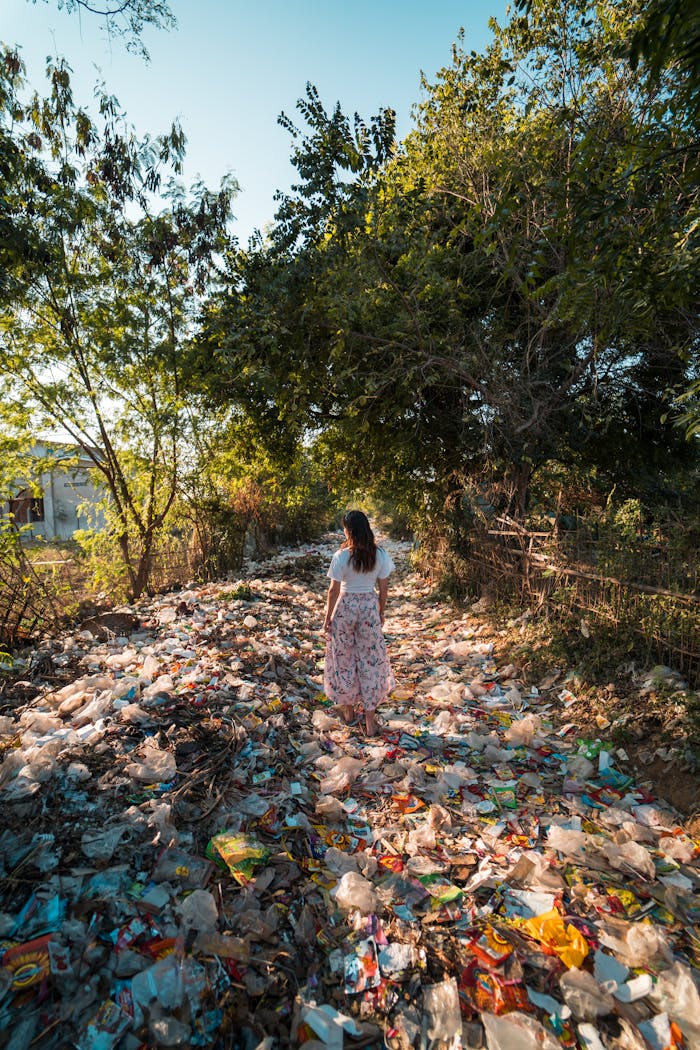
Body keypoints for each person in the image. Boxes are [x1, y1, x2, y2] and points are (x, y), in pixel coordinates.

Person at [322, 510, 395, 736]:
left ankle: (349, 712)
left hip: (345, 608)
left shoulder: (341, 556)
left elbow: (333, 591)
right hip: (368, 608)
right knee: (370, 660)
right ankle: (371, 721)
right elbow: (383, 590)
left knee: (343, 658)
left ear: (349, 530)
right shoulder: (380, 555)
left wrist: (327, 618)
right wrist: (380, 612)